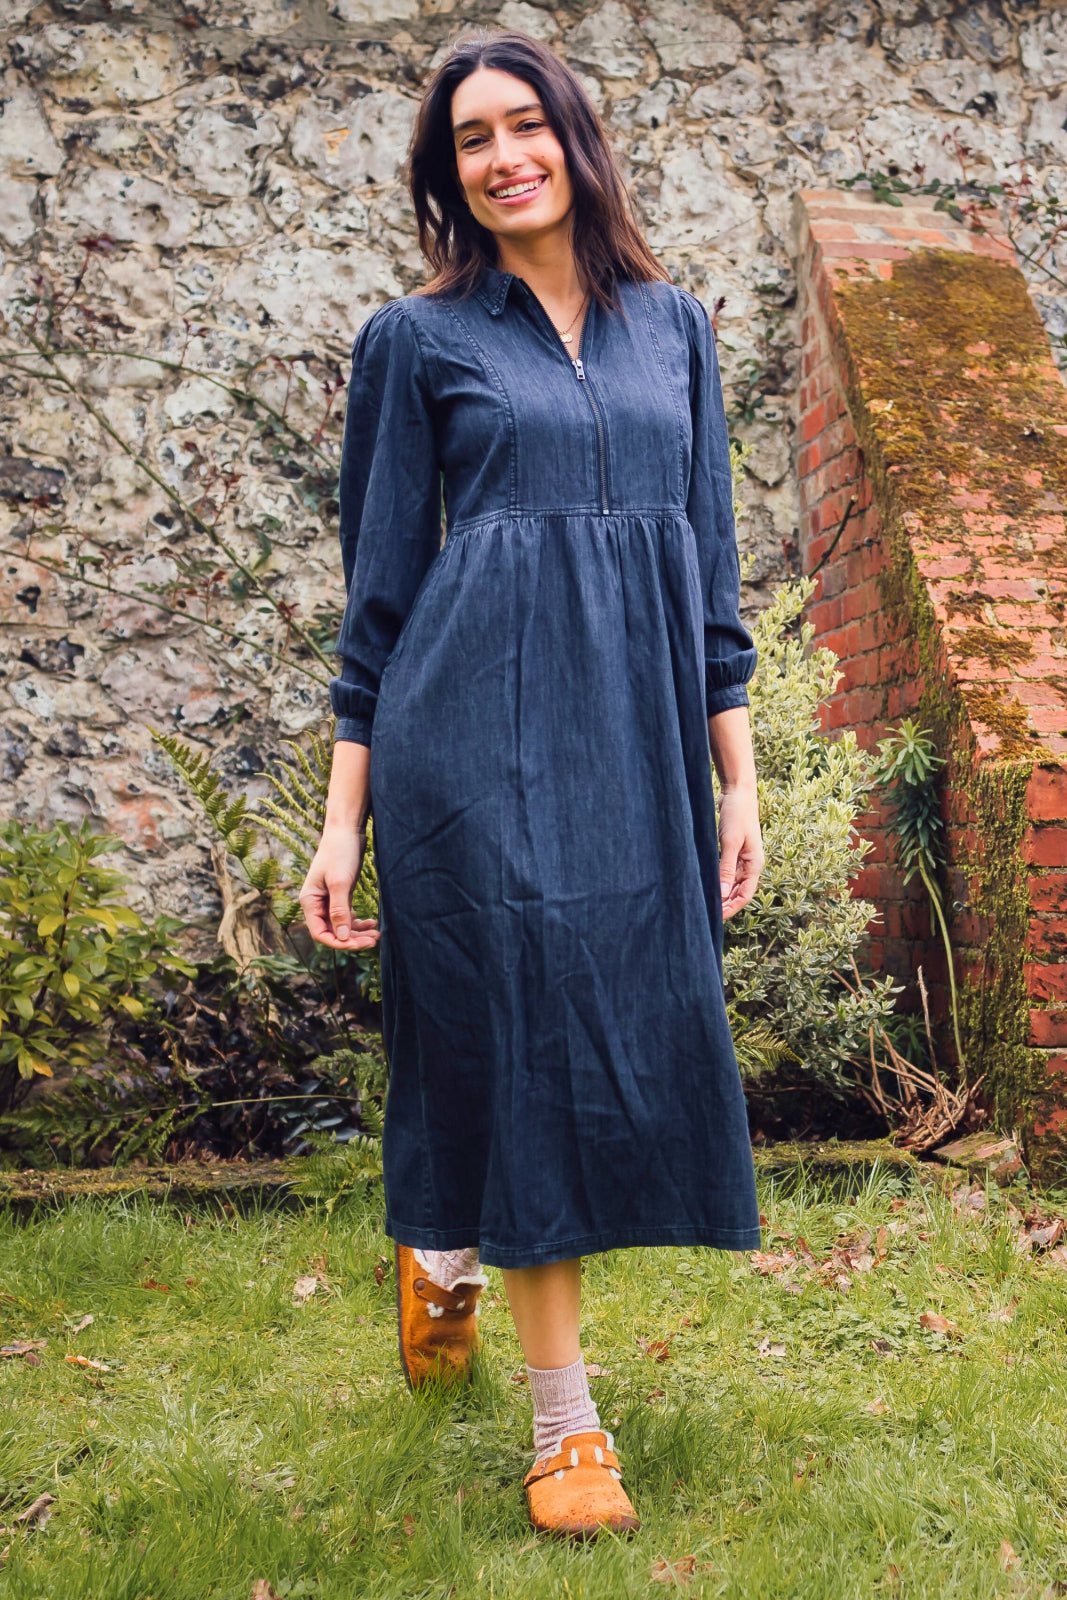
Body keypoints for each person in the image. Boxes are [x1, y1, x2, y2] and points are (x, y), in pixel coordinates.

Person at [299, 27, 765, 1541]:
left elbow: (710, 572)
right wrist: (341, 819)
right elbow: (380, 596)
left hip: (630, 734)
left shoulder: (676, 329)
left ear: (572, 136)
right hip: (468, 729)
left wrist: (738, 778)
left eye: (523, 127)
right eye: (469, 143)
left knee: (612, 1011)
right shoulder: (417, 342)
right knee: (532, 1022)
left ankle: (444, 1240)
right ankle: (569, 1429)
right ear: (449, 178)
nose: (502, 158)